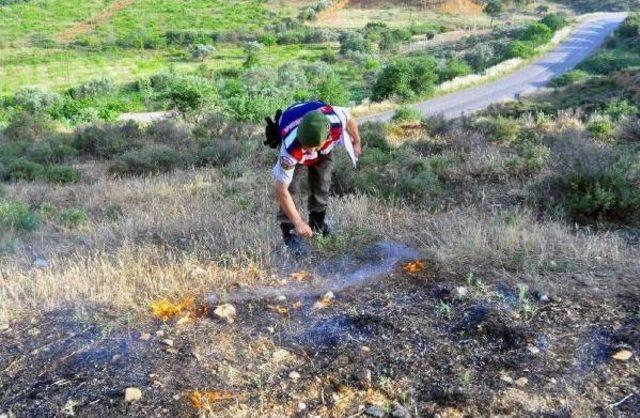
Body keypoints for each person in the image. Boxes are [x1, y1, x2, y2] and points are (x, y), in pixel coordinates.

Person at [267, 101, 362, 253]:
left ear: (327, 134)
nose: (310, 151)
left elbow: (349, 117)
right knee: (291, 188)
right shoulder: (291, 147)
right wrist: (298, 222)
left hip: (325, 149)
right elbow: (281, 190)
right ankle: (289, 232)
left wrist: (357, 141)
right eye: (306, 146)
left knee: (322, 183)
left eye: (314, 146)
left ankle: (318, 224)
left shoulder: (335, 120)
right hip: (291, 128)